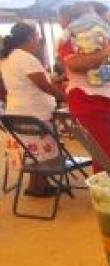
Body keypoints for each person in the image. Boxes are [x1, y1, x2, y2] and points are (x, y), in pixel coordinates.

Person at [0, 23, 66, 195]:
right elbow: (44, 85)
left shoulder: (9, 58)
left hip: (17, 113)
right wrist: (66, 97)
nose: (38, 39)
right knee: (41, 149)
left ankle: (37, 184)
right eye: (36, 35)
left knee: (30, 150)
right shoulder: (26, 58)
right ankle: (38, 185)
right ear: (30, 37)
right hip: (35, 114)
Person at [58, 2, 110, 171]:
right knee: (105, 156)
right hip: (88, 97)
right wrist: (104, 54)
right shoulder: (69, 36)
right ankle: (106, 196)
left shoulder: (107, 37)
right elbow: (74, 64)